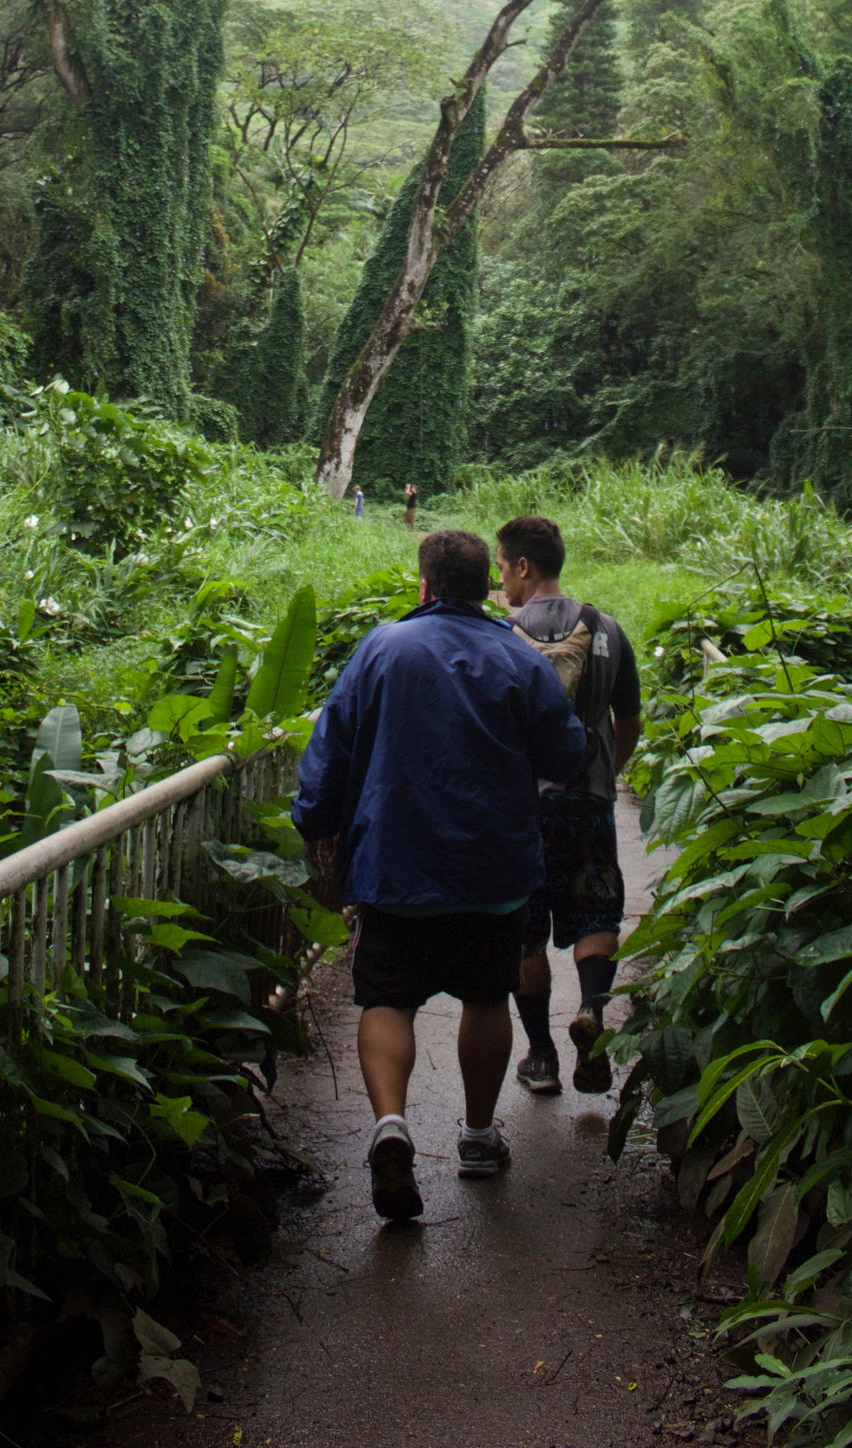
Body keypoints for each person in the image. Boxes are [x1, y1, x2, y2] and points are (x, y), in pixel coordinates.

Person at [292, 528, 586, 1222]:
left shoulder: (381, 648)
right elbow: (567, 754)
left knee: (387, 1000)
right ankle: (479, 1138)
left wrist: (317, 822)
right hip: (492, 869)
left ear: (422, 586)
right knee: (486, 997)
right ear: (488, 585)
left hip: (392, 865)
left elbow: (328, 750)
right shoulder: (516, 657)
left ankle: (391, 1126)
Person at [495, 514, 641, 1096]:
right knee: (596, 911)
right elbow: (628, 721)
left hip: (521, 808)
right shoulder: (608, 628)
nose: (501, 581)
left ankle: (541, 1056)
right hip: (589, 799)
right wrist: (606, 772)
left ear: (524, 566)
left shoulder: (501, 634)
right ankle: (592, 1013)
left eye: (503, 568)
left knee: (526, 932)